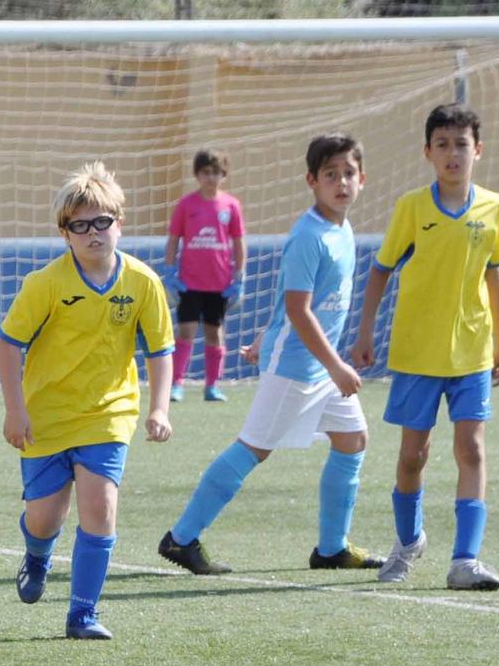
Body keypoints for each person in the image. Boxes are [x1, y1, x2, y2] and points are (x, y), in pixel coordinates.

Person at [158, 133, 383, 577]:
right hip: (299, 368)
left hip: (318, 367)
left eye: (349, 174)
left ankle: (331, 548)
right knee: (253, 450)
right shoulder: (308, 236)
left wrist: (265, 334)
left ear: (362, 179)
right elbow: (299, 311)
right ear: (311, 181)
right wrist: (335, 364)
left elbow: (292, 304)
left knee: (353, 439)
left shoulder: (344, 229)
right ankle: (181, 539)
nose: (341, 183)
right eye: (330, 175)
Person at [0, 162, 174, 641]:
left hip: (108, 415)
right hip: (46, 419)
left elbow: (160, 349)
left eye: (103, 221)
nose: (93, 232)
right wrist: (16, 409)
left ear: (120, 222)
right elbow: (9, 344)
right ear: (65, 234)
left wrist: (159, 408)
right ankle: (37, 553)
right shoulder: (45, 284)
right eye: (81, 225)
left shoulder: (143, 282)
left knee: (100, 506)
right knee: (45, 516)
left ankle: (82, 614)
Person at [352, 103, 499, 591]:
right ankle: (408, 542)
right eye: (442, 144)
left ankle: (465, 560)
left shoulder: (492, 207)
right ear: (427, 153)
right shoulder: (412, 208)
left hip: (472, 352)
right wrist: (365, 331)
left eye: (461, 144)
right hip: (417, 352)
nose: (452, 154)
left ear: (477, 150)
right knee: (412, 456)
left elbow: (493, 274)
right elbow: (381, 269)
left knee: (472, 449)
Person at [163, 148, 245, 403]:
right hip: (189, 282)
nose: (211, 177)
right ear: (197, 175)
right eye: (206, 172)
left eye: (216, 173)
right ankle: (176, 384)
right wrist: (169, 271)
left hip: (219, 283)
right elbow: (174, 238)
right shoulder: (186, 205)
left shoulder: (231, 206)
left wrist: (240, 277)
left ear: (224, 175)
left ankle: (212, 385)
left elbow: (239, 241)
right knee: (185, 331)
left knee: (214, 332)